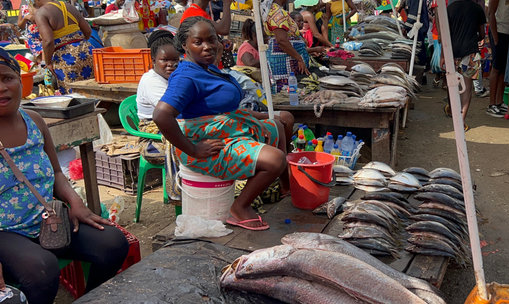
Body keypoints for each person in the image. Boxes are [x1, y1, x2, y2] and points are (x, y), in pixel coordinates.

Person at [0, 49, 129, 304]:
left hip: (47, 218)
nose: (1, 88)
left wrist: (76, 203)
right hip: (5, 232)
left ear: (19, 79)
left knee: (113, 243)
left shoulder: (34, 121)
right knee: (42, 270)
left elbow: (57, 172)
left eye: (7, 78)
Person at [153, 17, 293, 231]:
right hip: (207, 143)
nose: (208, 46)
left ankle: (285, 188)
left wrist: (261, 117)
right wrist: (193, 149)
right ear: (184, 45)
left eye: (212, 40)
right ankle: (239, 208)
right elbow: (161, 116)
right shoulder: (186, 77)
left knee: (280, 124)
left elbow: (223, 109)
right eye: (198, 42)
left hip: (229, 130)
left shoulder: (207, 68)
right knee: (275, 159)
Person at [23, 0, 94, 94]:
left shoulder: (42, 12)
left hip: (66, 58)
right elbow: (87, 31)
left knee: (72, 94)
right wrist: (78, 45)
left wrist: (48, 63)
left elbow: (48, 41)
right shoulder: (69, 6)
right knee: (91, 91)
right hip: (87, 52)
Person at [442, 0, 487, 131]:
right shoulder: (477, 9)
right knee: (467, 88)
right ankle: (461, 120)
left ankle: (452, 111)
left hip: (452, 53)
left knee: (451, 84)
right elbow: (482, 34)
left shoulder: (450, 9)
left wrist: (443, 54)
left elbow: (445, 34)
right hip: (471, 53)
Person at [136, 30, 180, 164]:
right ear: (154, 60)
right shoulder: (151, 81)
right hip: (153, 138)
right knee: (194, 151)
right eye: (165, 60)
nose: (171, 65)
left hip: (171, 127)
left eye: (175, 60)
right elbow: (174, 110)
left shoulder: (172, 77)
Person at [260, 0, 310, 86]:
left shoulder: (272, 10)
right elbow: (281, 40)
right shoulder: (277, 12)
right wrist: (299, 58)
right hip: (283, 62)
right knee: (287, 91)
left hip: (283, 60)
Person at [487, 0, 509, 118]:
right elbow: (490, 12)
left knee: (503, 69)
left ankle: (499, 102)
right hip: (499, 31)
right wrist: (495, 36)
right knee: (496, 67)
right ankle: (492, 104)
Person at [402, 0, 430, 83]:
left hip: (417, 29)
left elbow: (413, 15)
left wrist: (405, 27)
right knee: (419, 52)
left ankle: (419, 77)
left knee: (417, 53)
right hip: (418, 28)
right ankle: (422, 76)